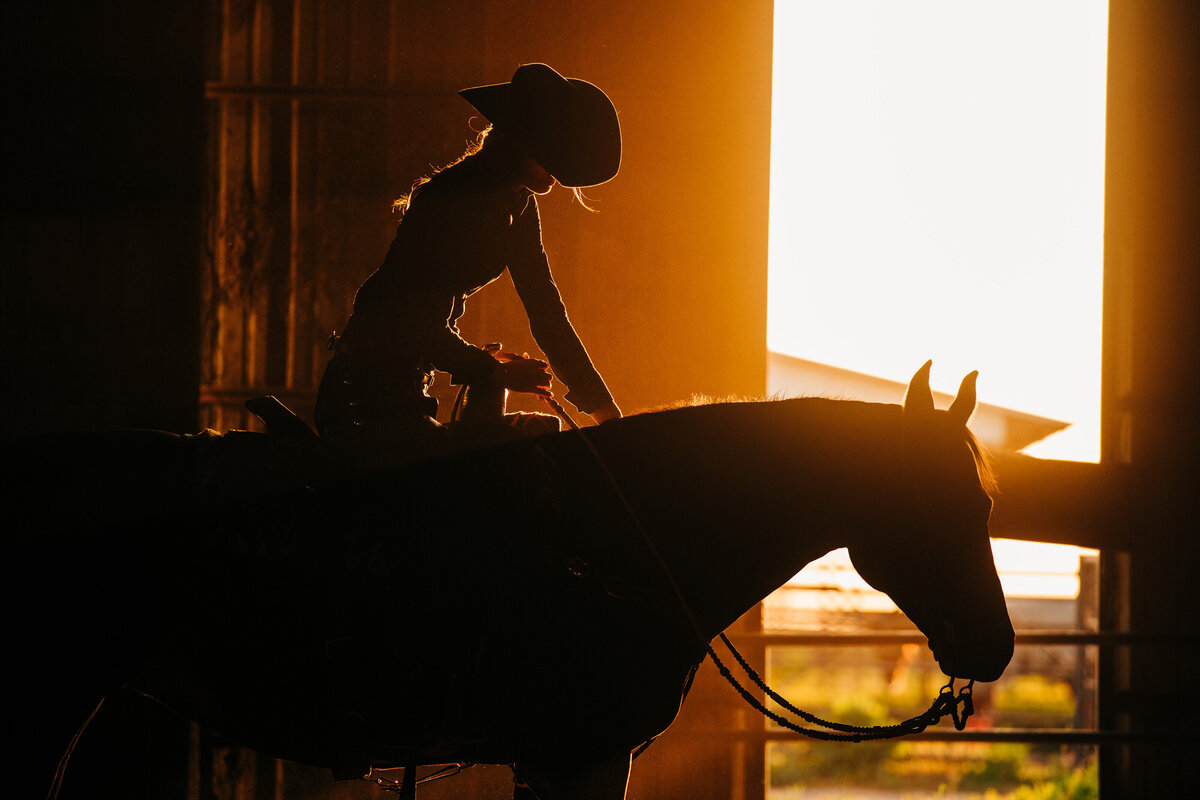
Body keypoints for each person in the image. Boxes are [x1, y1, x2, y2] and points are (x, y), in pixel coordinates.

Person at [315, 63, 623, 460]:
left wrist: (606, 412)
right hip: (362, 394)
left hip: (406, 384)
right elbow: (417, 321)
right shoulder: (450, 200)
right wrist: (497, 372)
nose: (559, 173)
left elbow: (547, 312)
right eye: (550, 152)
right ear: (518, 139)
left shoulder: (521, 204)